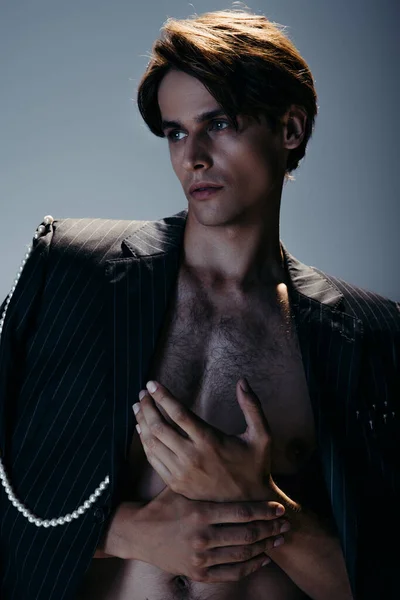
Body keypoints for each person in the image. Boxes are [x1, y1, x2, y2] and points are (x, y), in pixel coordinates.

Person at [0, 6, 398, 600]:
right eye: (176, 131)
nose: (194, 156)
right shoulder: (72, 268)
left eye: (220, 123)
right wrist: (126, 532)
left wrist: (261, 505)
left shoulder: (372, 334)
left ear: (289, 130)